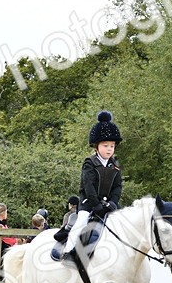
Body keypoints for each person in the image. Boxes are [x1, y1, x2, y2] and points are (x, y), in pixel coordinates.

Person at [52, 110, 123, 261]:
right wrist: (95, 204)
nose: (110, 149)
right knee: (81, 222)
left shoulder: (115, 164)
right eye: (106, 145)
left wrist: (113, 202)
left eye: (112, 146)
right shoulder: (89, 162)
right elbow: (88, 185)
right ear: (96, 146)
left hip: (108, 205)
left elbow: (118, 186)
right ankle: (69, 252)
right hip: (88, 204)